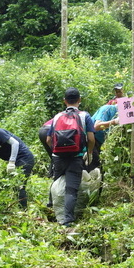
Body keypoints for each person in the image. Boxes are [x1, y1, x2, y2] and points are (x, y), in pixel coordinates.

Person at [46, 87, 96, 227]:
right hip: (76, 156)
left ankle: (51, 207)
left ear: (64, 101)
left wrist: (56, 151)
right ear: (79, 100)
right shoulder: (84, 116)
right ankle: (67, 220)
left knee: (56, 182)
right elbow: (91, 139)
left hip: (58, 157)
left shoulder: (56, 117)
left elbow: (49, 140)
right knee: (71, 190)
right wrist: (89, 153)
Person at [89, 82, 123, 170]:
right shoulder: (108, 108)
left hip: (103, 141)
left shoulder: (125, 113)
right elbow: (96, 127)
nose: (118, 93)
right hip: (92, 139)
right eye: (116, 91)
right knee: (94, 166)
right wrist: (114, 121)